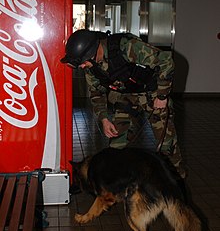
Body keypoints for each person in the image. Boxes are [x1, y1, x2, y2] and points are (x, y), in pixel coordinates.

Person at [61, 29, 186, 178]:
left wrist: (163, 95)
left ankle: (178, 180)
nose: (82, 67)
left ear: (94, 52)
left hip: (154, 95)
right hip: (126, 98)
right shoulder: (91, 67)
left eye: (82, 63)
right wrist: (104, 119)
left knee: (167, 145)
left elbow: (166, 61)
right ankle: (116, 184)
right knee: (116, 146)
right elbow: (96, 93)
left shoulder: (127, 47)